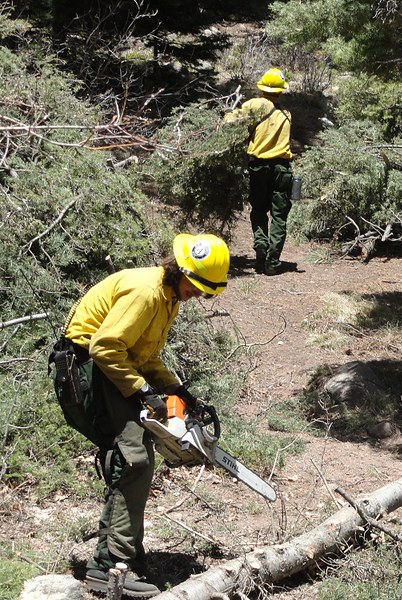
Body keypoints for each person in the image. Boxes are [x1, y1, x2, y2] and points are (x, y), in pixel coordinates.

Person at [54, 233, 230, 597]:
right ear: (179, 270)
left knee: (135, 457)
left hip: (107, 366)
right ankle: (108, 566)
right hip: (86, 368)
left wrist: (177, 390)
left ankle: (126, 551)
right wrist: (144, 392)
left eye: (203, 290)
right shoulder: (147, 293)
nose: (197, 295)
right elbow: (105, 347)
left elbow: (145, 356)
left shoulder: (168, 297)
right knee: (133, 458)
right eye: (195, 287)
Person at [225, 68, 294, 275]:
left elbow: (230, 122)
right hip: (282, 168)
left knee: (258, 209)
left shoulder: (254, 104)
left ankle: (261, 245)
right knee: (279, 215)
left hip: (258, 167)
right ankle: (272, 263)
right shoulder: (287, 114)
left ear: (262, 88)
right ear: (281, 92)